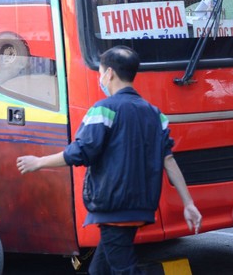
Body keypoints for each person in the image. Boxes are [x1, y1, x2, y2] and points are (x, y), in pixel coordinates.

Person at [16, 46, 202, 274]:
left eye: (101, 72)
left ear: (110, 73)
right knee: (99, 270)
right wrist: (189, 203)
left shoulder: (103, 110)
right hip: (139, 206)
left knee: (124, 270)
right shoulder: (155, 114)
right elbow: (169, 161)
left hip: (114, 206)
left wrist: (39, 162)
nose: (100, 78)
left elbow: (80, 151)